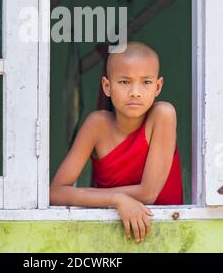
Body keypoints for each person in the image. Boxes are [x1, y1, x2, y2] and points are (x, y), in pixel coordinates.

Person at [50, 41, 183, 243]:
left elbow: (148, 194)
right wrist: (116, 199)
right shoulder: (97, 125)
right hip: (107, 238)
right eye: (124, 82)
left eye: (146, 82)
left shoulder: (162, 115)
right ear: (107, 86)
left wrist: (101, 197)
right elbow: (56, 193)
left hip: (168, 237)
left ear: (158, 87)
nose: (135, 92)